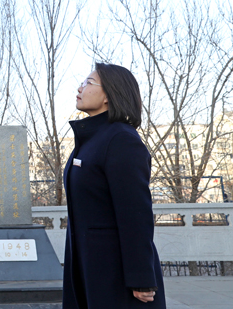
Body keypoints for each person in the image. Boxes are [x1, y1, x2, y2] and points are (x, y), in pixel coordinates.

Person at [63, 62, 166, 308]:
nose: (80, 87)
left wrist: (141, 277)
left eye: (88, 82)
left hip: (114, 273)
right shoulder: (91, 140)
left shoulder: (120, 139)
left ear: (109, 95)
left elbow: (136, 213)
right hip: (89, 266)